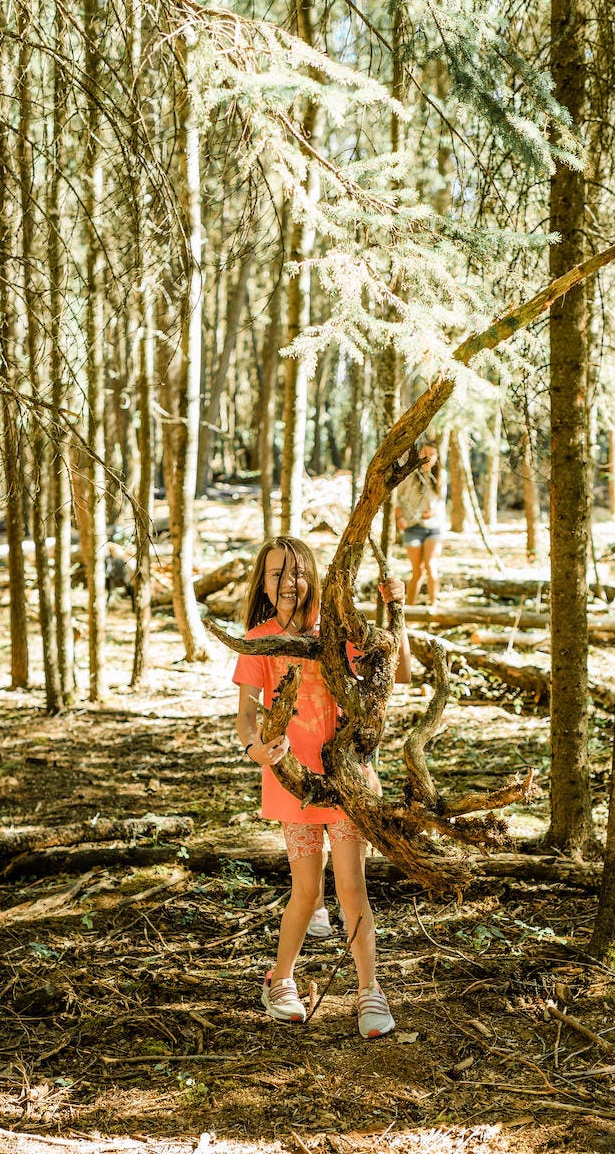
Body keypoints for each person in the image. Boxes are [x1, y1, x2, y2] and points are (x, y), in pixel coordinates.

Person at [234, 535, 411, 1038]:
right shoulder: (259, 637)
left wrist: (397, 611)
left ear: (312, 575)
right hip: (292, 781)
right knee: (307, 890)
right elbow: (247, 715)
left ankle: (369, 991)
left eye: (295, 571)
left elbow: (398, 670)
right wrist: (255, 748)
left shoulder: (337, 629)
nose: (287, 582)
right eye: (274, 574)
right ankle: (280, 980)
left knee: (352, 889)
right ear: (263, 585)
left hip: (347, 780)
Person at [394, 441, 445, 606]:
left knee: (431, 566)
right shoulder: (408, 476)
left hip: (434, 528)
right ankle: (410, 609)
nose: (428, 458)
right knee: (417, 571)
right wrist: (400, 518)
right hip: (412, 527)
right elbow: (397, 500)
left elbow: (441, 501)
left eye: (432, 454)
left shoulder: (440, 476)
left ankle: (433, 606)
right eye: (425, 454)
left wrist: (433, 512)